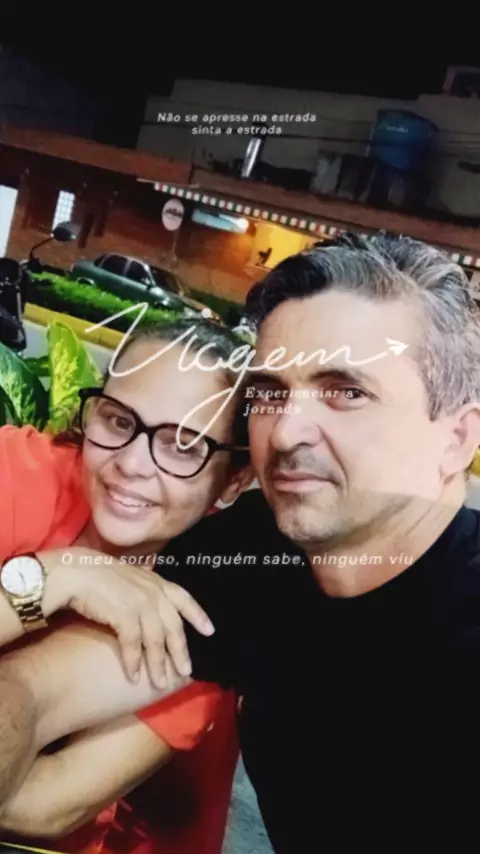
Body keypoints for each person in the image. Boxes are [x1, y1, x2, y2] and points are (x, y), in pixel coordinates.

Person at [2, 234, 480, 853]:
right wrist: (50, 580)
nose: (286, 432)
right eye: (271, 393)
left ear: (456, 439)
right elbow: (31, 694)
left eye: (346, 392)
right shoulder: (248, 554)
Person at [0, 318, 253, 854]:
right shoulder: (18, 474)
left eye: (183, 446)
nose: (131, 464)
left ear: (234, 480)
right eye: (118, 422)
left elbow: (48, 809)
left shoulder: (207, 605)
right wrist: (55, 577)